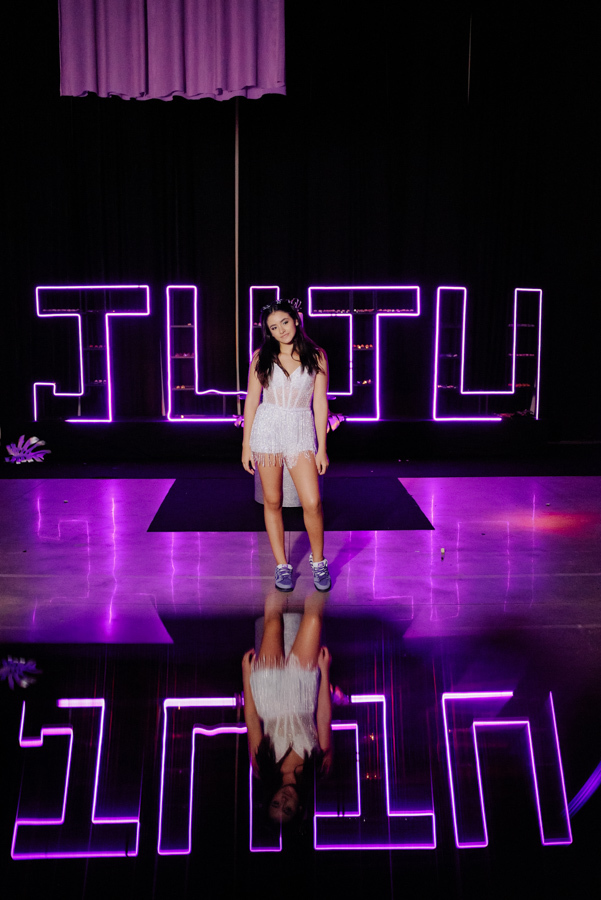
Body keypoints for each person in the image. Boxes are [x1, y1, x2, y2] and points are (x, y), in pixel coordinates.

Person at [242, 298, 331, 592]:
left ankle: (319, 562)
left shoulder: (317, 356)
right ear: (268, 332)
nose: (280, 330)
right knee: (272, 501)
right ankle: (282, 566)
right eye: (273, 327)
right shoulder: (261, 357)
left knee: (312, 502)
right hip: (266, 431)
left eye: (284, 322)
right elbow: (251, 403)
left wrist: (322, 448)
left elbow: (320, 404)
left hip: (300, 429)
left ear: (296, 320)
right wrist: (246, 446)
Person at [242, 591, 332, 827]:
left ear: (269, 799)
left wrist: (246, 675)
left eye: (275, 804)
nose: (283, 800)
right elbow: (323, 719)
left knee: (272, 620)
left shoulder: (262, 768)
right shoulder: (318, 769)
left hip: (268, 696)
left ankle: (280, 570)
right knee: (314, 620)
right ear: (299, 807)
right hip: (302, 694)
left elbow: (251, 719)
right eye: (288, 808)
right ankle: (320, 568)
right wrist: (324, 671)